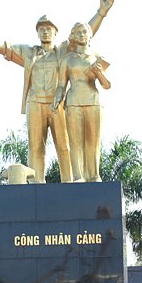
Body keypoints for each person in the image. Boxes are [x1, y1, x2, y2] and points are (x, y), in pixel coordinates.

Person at [0, 0, 114, 183]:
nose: (45, 32)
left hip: (56, 104)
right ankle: (36, 183)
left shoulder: (63, 51)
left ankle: (70, 181)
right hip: (35, 103)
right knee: (35, 146)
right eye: (41, 29)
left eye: (49, 29)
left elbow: (85, 32)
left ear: (56, 33)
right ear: (37, 33)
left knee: (64, 145)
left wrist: (101, 12)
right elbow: (3, 47)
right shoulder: (29, 52)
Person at [52, 22, 111, 182]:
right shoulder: (68, 59)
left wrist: (99, 73)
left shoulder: (97, 57)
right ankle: (78, 175)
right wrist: (58, 98)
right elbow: (61, 85)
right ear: (73, 37)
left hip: (93, 101)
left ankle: (94, 175)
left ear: (89, 34)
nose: (81, 35)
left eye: (84, 31)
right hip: (73, 102)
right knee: (76, 142)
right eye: (77, 32)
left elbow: (107, 85)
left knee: (93, 141)